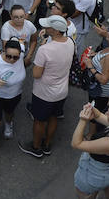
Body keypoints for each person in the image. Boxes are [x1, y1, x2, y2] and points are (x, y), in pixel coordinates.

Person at [20, 15, 75, 158]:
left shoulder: (45, 50)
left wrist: (42, 46)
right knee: (54, 118)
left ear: (56, 31)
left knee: (39, 120)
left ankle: (36, 147)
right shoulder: (70, 42)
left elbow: (37, 74)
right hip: (62, 91)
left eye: (48, 27)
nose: (45, 28)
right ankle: (47, 145)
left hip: (44, 93)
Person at [0, 39, 27, 165]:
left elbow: (23, 42)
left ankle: (8, 123)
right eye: (8, 56)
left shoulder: (21, 52)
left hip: (15, 94)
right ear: (3, 52)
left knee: (10, 112)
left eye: (15, 57)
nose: (12, 59)